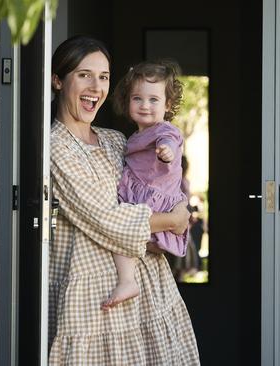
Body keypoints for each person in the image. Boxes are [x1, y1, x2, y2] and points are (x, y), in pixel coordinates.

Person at [49, 35, 200, 365]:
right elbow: (106, 218)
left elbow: (162, 181)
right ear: (58, 80)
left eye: (103, 77)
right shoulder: (55, 148)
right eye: (84, 74)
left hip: (152, 291)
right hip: (95, 298)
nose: (96, 86)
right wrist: (173, 221)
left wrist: (177, 208)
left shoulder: (117, 140)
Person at [102, 60, 189, 309]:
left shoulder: (164, 130)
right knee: (125, 239)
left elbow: (170, 140)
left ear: (167, 105)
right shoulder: (134, 136)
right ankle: (128, 280)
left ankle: (128, 280)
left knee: (123, 235)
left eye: (153, 100)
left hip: (154, 201)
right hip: (139, 198)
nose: (145, 105)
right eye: (137, 98)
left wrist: (167, 151)